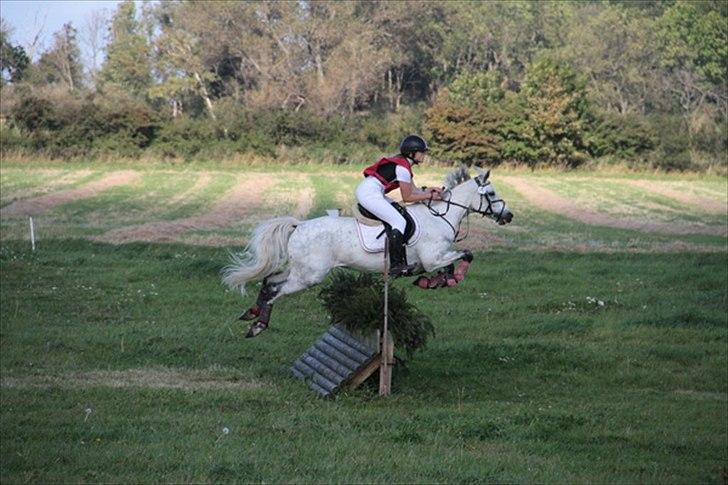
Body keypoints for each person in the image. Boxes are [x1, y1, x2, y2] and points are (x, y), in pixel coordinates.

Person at [356, 134, 443, 277]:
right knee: (399, 221)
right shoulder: (402, 168)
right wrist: (430, 196)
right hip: (369, 194)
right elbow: (408, 197)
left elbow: (414, 190)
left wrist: (430, 190)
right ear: (412, 153)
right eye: (422, 152)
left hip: (373, 191)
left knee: (400, 212)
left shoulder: (404, 165)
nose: (424, 155)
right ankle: (396, 265)